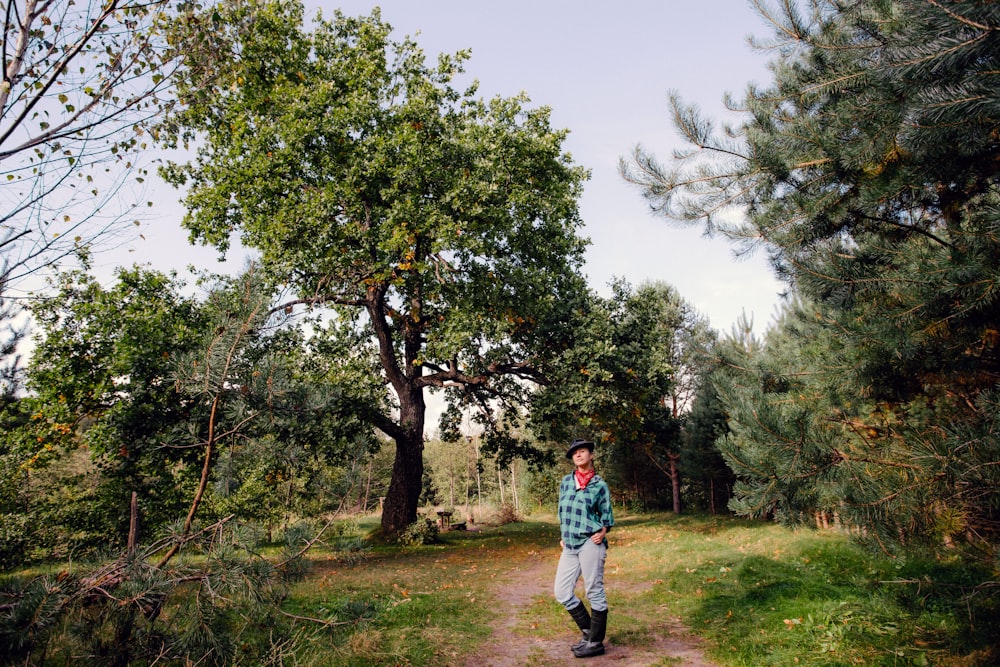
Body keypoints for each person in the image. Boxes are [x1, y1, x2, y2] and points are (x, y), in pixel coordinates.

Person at [554, 438, 614, 658]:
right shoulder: (566, 482)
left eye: (582, 451)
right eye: (574, 453)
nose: (578, 455)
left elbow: (606, 515)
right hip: (569, 544)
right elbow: (562, 511)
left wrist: (603, 531)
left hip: (591, 542)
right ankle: (590, 632)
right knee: (561, 591)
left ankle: (595, 643)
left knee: (594, 590)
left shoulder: (599, 485)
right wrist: (563, 535)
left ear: (591, 455)